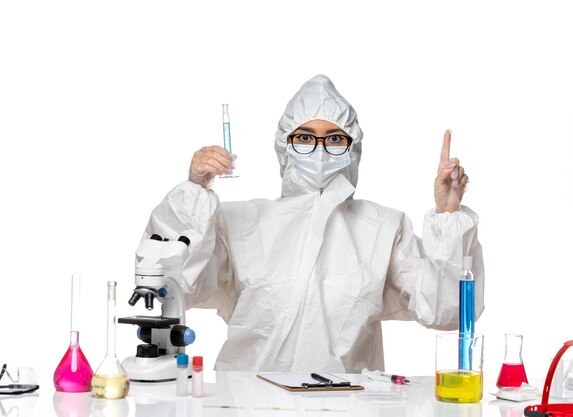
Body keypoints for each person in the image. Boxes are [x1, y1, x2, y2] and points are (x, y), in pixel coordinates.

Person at [143, 74, 484, 373]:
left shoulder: (383, 228)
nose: (320, 151)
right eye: (305, 138)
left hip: (347, 404)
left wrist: (448, 214)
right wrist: (195, 189)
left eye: (334, 138)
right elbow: (174, 287)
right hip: (247, 400)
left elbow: (446, 311)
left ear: (353, 148)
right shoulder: (242, 222)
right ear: (285, 146)